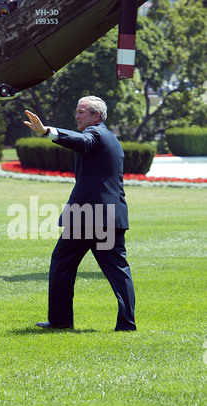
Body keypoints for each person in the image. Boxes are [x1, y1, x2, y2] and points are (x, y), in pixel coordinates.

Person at [23, 96, 136, 331]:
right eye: (76, 111)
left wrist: (46, 132)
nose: (76, 115)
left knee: (62, 263)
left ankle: (61, 321)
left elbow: (81, 142)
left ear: (96, 116)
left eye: (82, 112)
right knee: (118, 271)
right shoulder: (110, 138)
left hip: (87, 217)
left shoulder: (95, 135)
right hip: (108, 216)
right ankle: (126, 324)